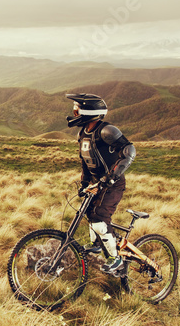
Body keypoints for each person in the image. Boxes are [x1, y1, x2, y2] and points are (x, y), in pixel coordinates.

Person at [66, 93, 136, 275]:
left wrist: (109, 178)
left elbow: (129, 150)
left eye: (77, 109)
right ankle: (96, 244)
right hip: (97, 183)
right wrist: (84, 183)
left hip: (113, 183)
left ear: (89, 111)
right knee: (88, 211)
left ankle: (116, 258)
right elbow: (85, 161)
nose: (74, 112)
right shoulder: (83, 133)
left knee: (99, 215)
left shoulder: (107, 131)